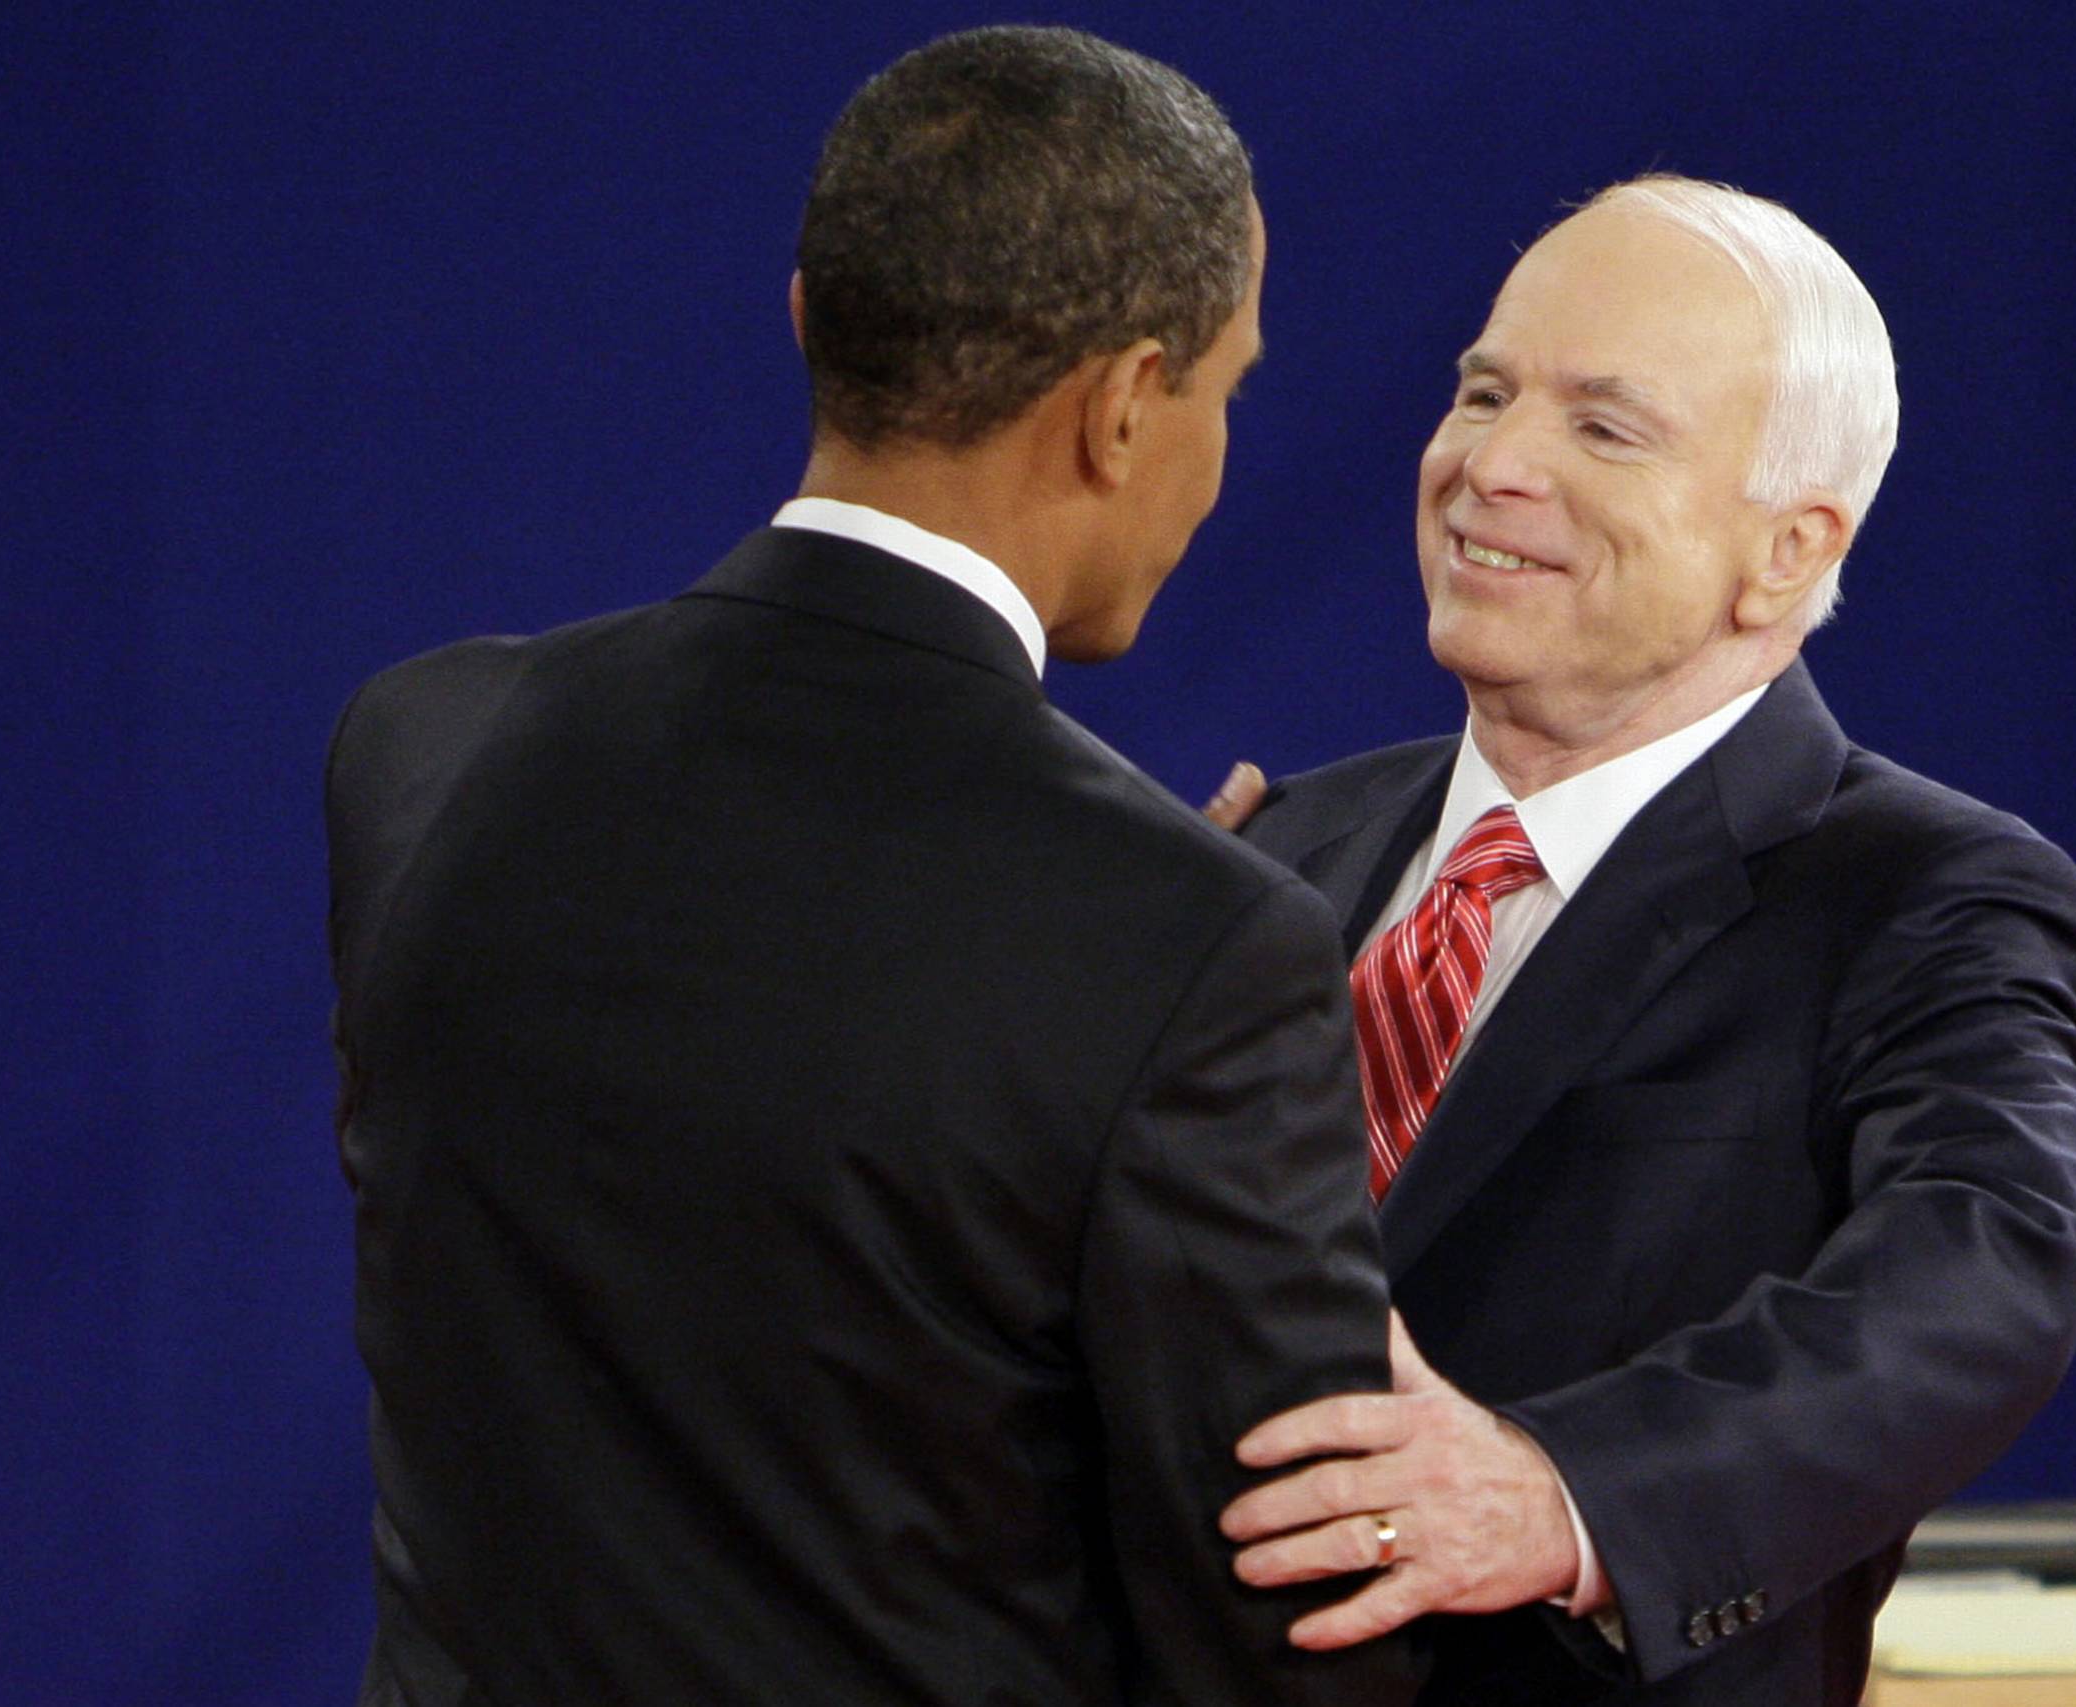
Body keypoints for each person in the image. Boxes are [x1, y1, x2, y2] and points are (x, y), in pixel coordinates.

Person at [323, 28, 1417, 1707]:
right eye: (1229, 388)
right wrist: (1139, 974)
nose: (1216, 452)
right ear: (1126, 409)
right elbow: (1289, 1658)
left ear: (808, 321)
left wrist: (1115, 978)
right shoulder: (1190, 949)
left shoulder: (421, 745)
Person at [1216, 177, 2076, 1706]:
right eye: (1482, 392)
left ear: (1786, 551)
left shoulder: (1918, 892)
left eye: (1603, 427)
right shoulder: (1276, 848)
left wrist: (1565, 1495)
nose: (1491, 464)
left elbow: (1986, 1264)